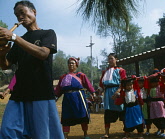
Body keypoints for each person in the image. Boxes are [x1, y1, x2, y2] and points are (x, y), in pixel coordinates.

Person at [0, 1, 64, 138]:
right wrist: (1, 53)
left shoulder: (48, 33)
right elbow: (5, 65)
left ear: (34, 11)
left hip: (41, 93)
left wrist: (13, 37)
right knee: (7, 131)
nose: (20, 18)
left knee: (42, 135)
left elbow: (43, 53)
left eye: (22, 12)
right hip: (19, 94)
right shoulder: (19, 40)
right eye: (17, 15)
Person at [55, 57, 95, 139]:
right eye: (69, 63)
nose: (70, 65)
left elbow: (88, 85)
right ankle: (65, 136)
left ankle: (85, 134)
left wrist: (93, 93)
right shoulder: (63, 77)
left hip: (79, 98)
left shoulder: (81, 75)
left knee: (82, 115)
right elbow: (59, 89)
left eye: (72, 63)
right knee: (66, 117)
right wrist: (55, 97)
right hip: (67, 99)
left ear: (76, 65)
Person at [98, 53, 126, 138]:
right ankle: (106, 133)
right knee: (108, 112)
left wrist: (118, 92)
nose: (110, 60)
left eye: (111, 58)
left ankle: (126, 132)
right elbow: (101, 85)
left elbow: (123, 82)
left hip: (118, 93)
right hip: (108, 94)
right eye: (109, 59)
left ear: (116, 59)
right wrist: (99, 95)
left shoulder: (121, 70)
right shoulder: (105, 72)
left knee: (122, 111)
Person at [146, 72, 165, 138]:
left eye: (156, 82)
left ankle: (163, 131)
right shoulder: (150, 89)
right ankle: (158, 130)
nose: (154, 84)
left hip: (160, 104)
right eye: (152, 82)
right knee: (154, 118)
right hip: (152, 105)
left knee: (161, 118)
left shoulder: (161, 87)